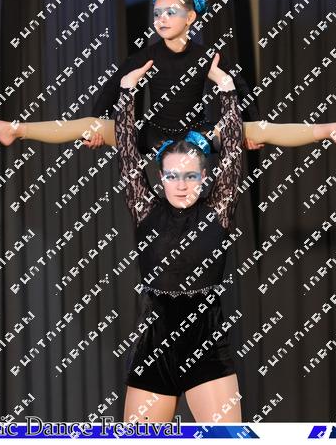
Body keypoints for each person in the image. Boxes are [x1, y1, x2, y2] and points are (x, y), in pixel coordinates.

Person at [0, 0, 336, 153]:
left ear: (190, 18)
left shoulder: (208, 55)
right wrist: (98, 126)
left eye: (170, 12)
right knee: (88, 124)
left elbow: (241, 90)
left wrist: (249, 131)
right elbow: (110, 90)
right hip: (152, 135)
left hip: (198, 135)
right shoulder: (145, 56)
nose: (161, 19)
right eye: (157, 13)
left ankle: (332, 129)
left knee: (262, 128)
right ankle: (15, 129)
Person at [116, 54, 245, 423]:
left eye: (190, 176)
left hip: (206, 345)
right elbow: (126, 152)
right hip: (154, 348)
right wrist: (127, 91)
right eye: (172, 175)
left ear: (204, 178)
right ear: (160, 177)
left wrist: (225, 87)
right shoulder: (145, 209)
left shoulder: (218, 209)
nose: (181, 184)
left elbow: (233, 150)